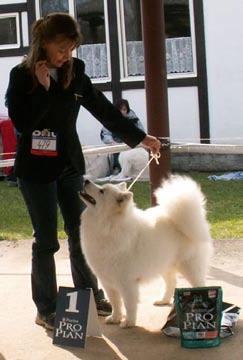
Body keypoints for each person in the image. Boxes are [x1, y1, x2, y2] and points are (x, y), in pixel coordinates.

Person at [6, 13, 161, 331]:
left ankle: (90, 296)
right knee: (46, 240)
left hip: (68, 166)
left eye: (71, 48)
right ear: (43, 43)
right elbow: (22, 124)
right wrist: (44, 91)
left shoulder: (76, 73)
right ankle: (47, 308)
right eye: (61, 48)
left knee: (81, 234)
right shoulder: (21, 76)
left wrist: (138, 137)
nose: (67, 55)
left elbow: (102, 108)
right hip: (35, 170)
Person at [100, 99, 144, 174]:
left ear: (127, 110)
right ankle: (116, 168)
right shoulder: (110, 120)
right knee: (116, 151)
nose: (122, 111)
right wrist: (112, 142)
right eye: (120, 109)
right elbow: (105, 133)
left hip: (132, 144)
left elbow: (141, 132)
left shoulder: (134, 120)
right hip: (117, 145)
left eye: (124, 109)